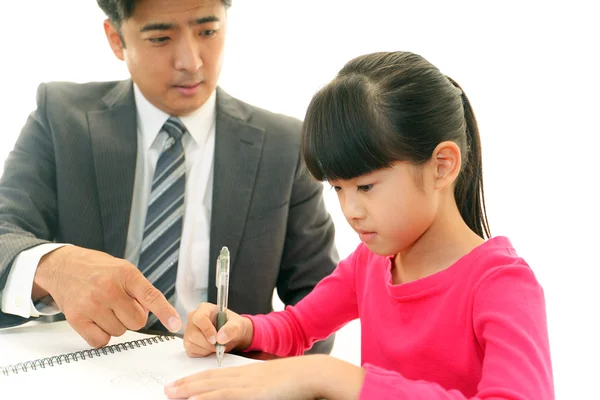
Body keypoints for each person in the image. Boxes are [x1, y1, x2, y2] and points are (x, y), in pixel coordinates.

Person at [166, 51, 555, 399]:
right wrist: (241, 330)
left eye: (366, 186)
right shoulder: (369, 263)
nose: (350, 209)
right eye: (338, 187)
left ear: (442, 165)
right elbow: (298, 326)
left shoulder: (501, 284)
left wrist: (343, 380)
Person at [0, 0, 338, 355]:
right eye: (161, 38)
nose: (191, 62)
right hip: (88, 368)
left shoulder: (283, 146)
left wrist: (260, 352)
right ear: (116, 39)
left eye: (208, 31)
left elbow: (323, 299)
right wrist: (53, 266)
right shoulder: (61, 118)